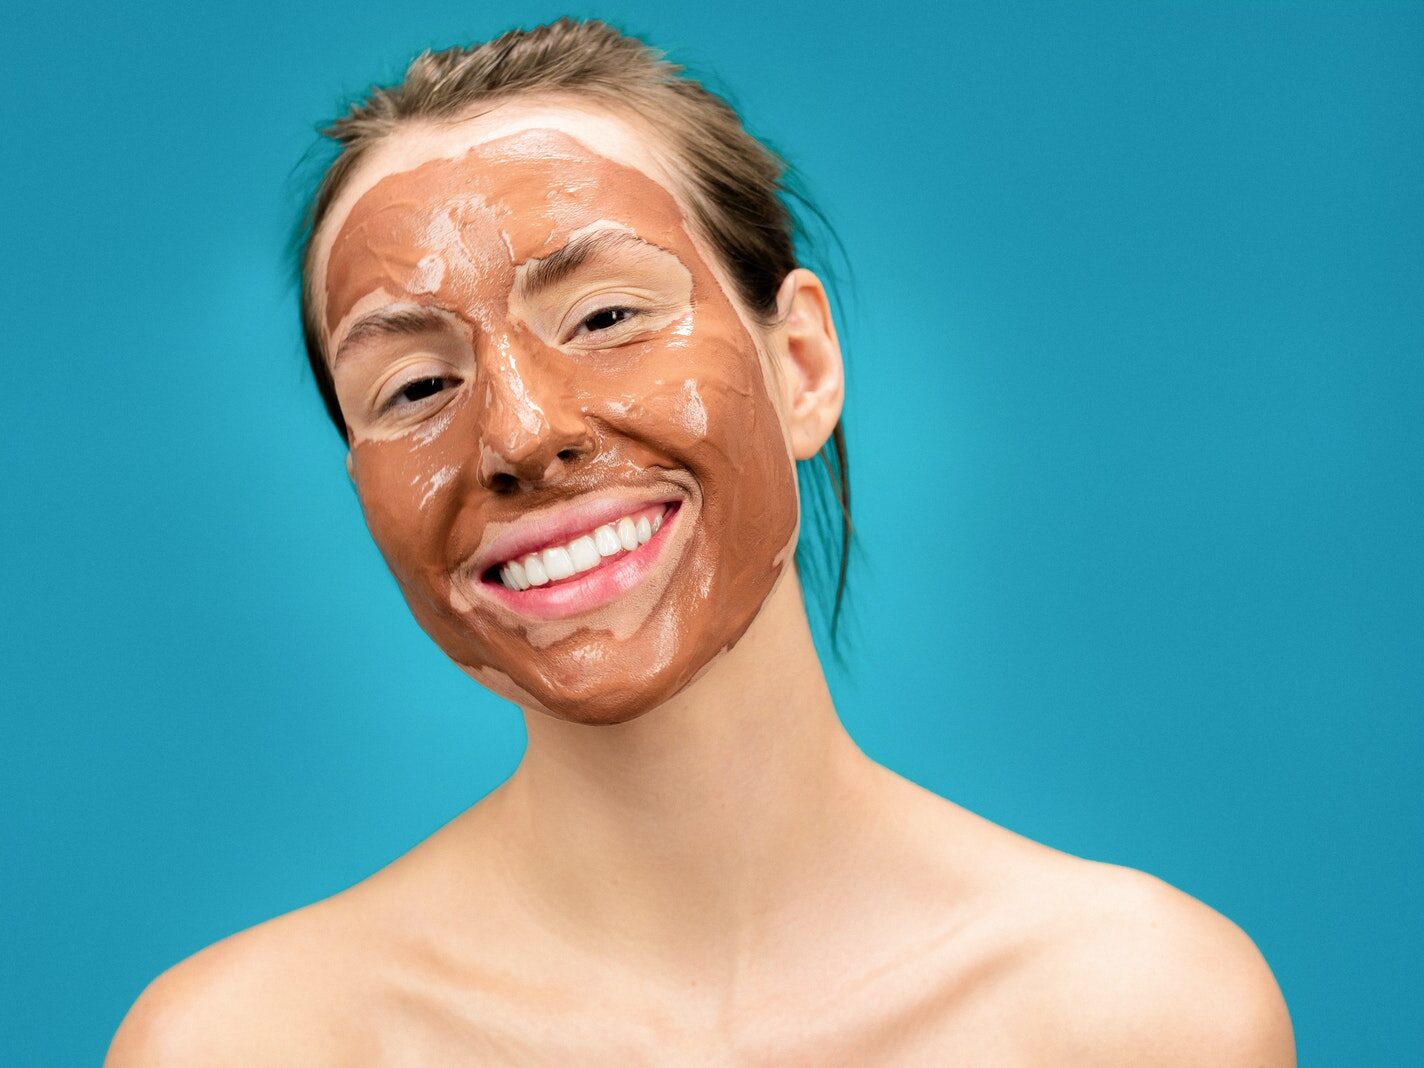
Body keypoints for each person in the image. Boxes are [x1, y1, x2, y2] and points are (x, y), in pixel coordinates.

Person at [108, 17, 1295, 1064]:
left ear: (801, 368)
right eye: (415, 386)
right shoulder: (247, 1045)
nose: (519, 434)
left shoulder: (1138, 1018)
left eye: (608, 316)